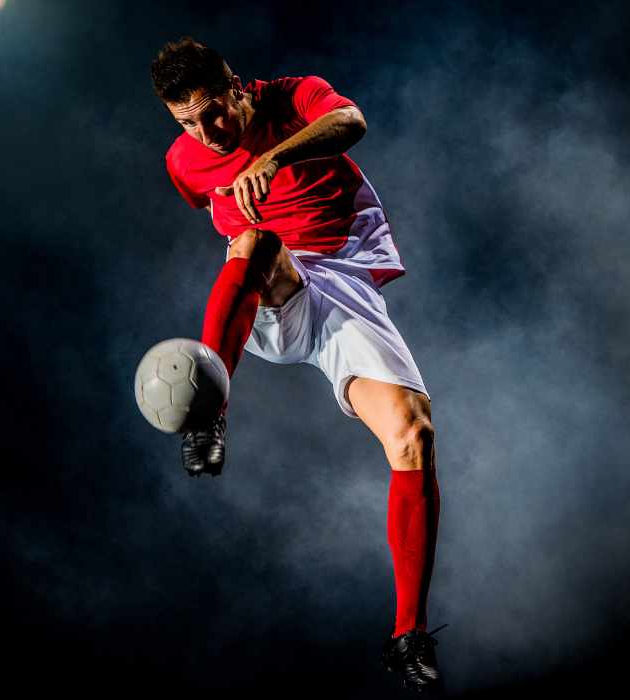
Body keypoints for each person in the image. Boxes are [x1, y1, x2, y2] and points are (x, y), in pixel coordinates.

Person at [151, 38, 445, 693]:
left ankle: (408, 634)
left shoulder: (293, 97)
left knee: (413, 434)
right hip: (273, 285)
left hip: (344, 285)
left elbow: (351, 121)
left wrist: (275, 157)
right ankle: (209, 413)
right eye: (187, 122)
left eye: (213, 110)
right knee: (255, 240)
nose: (207, 132)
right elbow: (205, 200)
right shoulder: (184, 161)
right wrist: (242, 255)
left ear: (237, 86)